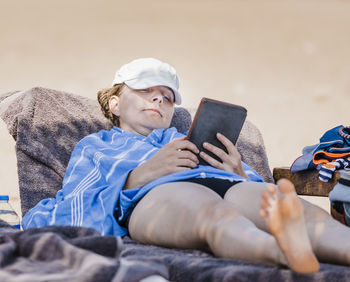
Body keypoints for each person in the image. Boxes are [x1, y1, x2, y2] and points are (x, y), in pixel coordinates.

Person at [22, 58, 350, 274]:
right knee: (213, 217)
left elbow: (248, 181)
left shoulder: (187, 136)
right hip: (157, 196)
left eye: (167, 96)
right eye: (145, 90)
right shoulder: (98, 146)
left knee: (301, 213)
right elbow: (74, 205)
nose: (158, 100)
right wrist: (139, 176)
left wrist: (240, 171)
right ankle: (284, 252)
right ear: (115, 102)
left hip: (230, 184)